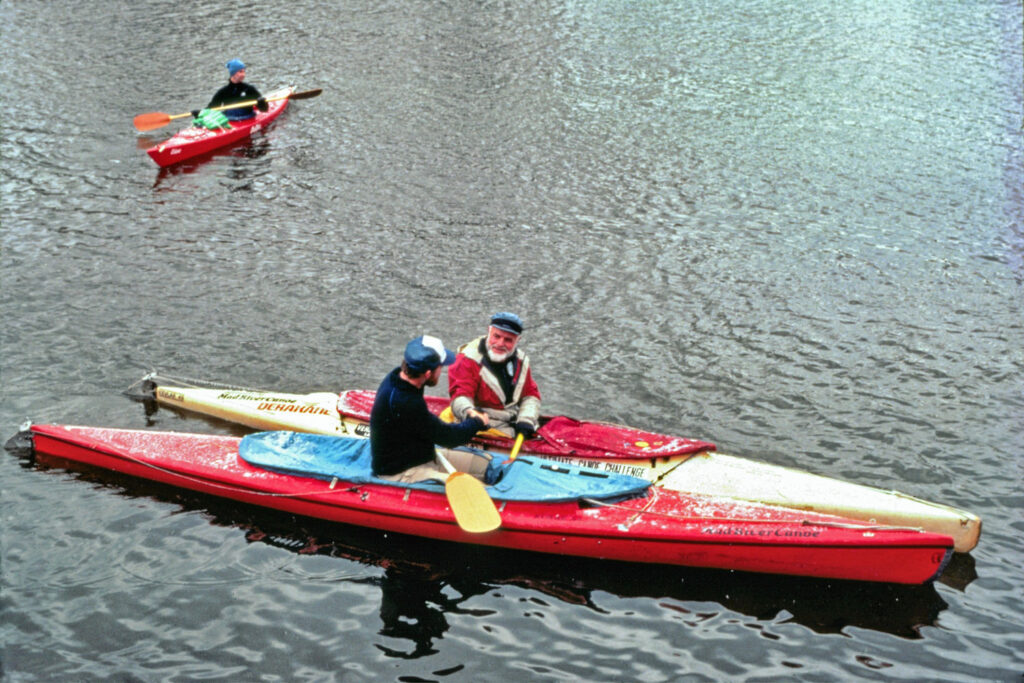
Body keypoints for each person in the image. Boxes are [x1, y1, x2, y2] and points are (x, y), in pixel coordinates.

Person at [370, 335, 491, 483]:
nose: (442, 371)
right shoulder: (406, 402)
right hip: (402, 472)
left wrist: (471, 417)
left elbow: (429, 427)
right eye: (441, 367)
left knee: (484, 466)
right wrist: (477, 422)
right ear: (428, 373)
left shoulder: (397, 376)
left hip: (422, 457)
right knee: (479, 489)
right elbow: (448, 438)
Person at [448, 312, 541, 439]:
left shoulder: (521, 360)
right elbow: (460, 396)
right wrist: (471, 413)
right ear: (489, 331)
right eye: (496, 336)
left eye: (508, 340)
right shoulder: (467, 359)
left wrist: (526, 420)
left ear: (517, 340)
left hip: (512, 420)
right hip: (482, 425)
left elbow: (530, 395)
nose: (500, 343)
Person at [199, 59, 268, 121]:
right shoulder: (223, 92)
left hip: (246, 117)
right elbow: (212, 108)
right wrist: (199, 114)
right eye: (240, 72)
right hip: (229, 119)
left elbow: (264, 109)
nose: (243, 74)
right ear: (233, 73)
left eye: (244, 72)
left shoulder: (249, 89)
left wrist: (261, 102)